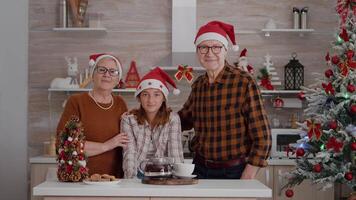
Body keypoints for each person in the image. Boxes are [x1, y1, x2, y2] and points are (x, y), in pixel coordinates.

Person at [178, 21, 272, 179]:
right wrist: (150, 113)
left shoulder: (243, 82)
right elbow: (182, 120)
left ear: (225, 50)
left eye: (216, 47)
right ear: (197, 52)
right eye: (203, 47)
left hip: (234, 171)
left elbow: (263, 136)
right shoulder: (199, 85)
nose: (209, 53)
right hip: (200, 169)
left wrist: (249, 173)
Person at [57, 53, 129, 178]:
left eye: (113, 71)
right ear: (92, 75)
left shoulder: (120, 103)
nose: (107, 74)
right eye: (102, 70)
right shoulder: (77, 101)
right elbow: (64, 145)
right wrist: (107, 145)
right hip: (81, 179)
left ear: (118, 79)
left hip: (115, 181)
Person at [122, 67, 184, 178]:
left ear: (164, 98)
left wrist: (177, 181)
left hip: (164, 175)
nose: (151, 100)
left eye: (156, 94)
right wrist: (131, 181)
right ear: (139, 98)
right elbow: (129, 153)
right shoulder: (129, 120)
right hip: (138, 174)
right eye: (145, 94)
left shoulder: (173, 119)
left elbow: (175, 155)